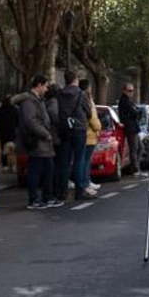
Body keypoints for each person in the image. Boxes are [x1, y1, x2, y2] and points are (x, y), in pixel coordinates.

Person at [14, 76, 59, 210]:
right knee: (36, 170)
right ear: (39, 85)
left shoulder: (37, 100)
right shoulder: (29, 101)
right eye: (45, 86)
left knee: (48, 169)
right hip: (37, 141)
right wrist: (45, 133)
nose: (46, 90)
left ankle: (47, 196)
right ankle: (33, 199)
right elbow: (30, 121)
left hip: (43, 142)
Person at [54, 70, 85, 202]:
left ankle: (62, 192)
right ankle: (79, 190)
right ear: (75, 80)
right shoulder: (80, 93)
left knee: (64, 162)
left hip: (64, 129)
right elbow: (88, 111)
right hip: (78, 128)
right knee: (79, 160)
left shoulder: (59, 94)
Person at [75, 78, 101, 199]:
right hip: (89, 134)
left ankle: (86, 182)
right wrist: (98, 127)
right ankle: (84, 184)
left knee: (84, 161)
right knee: (84, 162)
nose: (91, 89)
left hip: (87, 134)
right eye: (90, 87)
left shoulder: (82, 98)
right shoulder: (86, 100)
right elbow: (92, 117)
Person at [116, 82, 142, 174]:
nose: (132, 92)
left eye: (132, 91)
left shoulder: (129, 100)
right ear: (124, 91)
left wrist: (136, 111)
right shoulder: (124, 101)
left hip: (134, 127)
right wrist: (136, 111)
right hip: (130, 128)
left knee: (140, 148)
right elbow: (135, 112)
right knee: (134, 149)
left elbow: (136, 111)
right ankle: (135, 169)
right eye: (129, 90)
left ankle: (135, 167)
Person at [0, 96, 19, 170]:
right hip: (12, 133)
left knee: (3, 149)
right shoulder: (14, 110)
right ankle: (13, 165)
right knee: (13, 150)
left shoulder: (0, 110)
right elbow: (18, 121)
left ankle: (5, 165)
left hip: (3, 133)